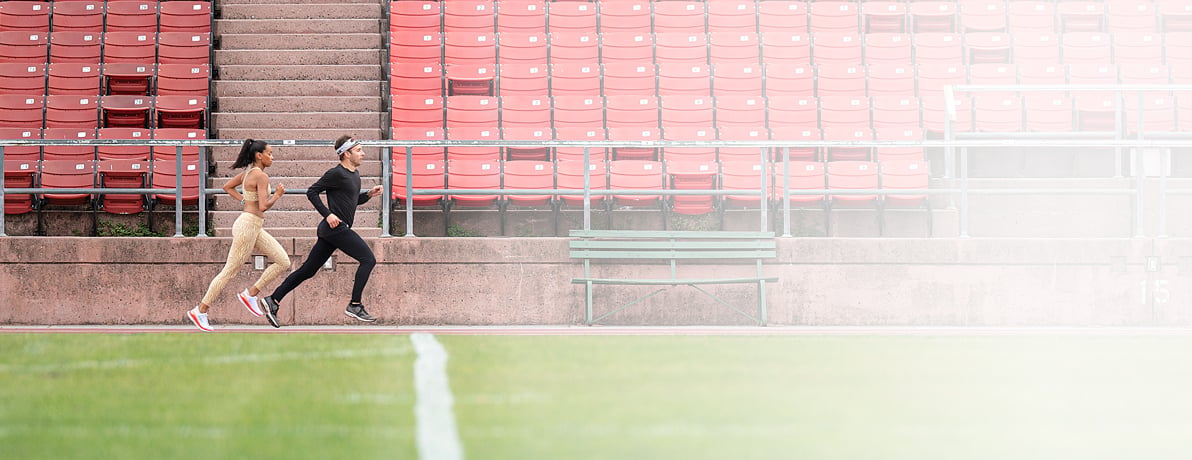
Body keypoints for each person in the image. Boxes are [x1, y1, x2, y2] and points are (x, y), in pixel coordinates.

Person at [258, 135, 384, 327]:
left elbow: (351, 201)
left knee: (307, 270)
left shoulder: (355, 175)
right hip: (335, 229)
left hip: (332, 231)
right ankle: (355, 305)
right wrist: (328, 214)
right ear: (346, 154)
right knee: (368, 259)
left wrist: (368, 195)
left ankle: (272, 300)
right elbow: (312, 191)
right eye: (358, 150)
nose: (363, 153)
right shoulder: (336, 173)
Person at [187, 139, 290, 332]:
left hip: (253, 226)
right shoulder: (259, 176)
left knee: (283, 261)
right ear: (259, 155)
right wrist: (277, 195)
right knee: (229, 271)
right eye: (270, 153)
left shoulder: (248, 173)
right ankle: (200, 310)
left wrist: (243, 199)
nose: (272, 157)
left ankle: (250, 294)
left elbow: (227, 187)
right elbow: (263, 206)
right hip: (248, 226)